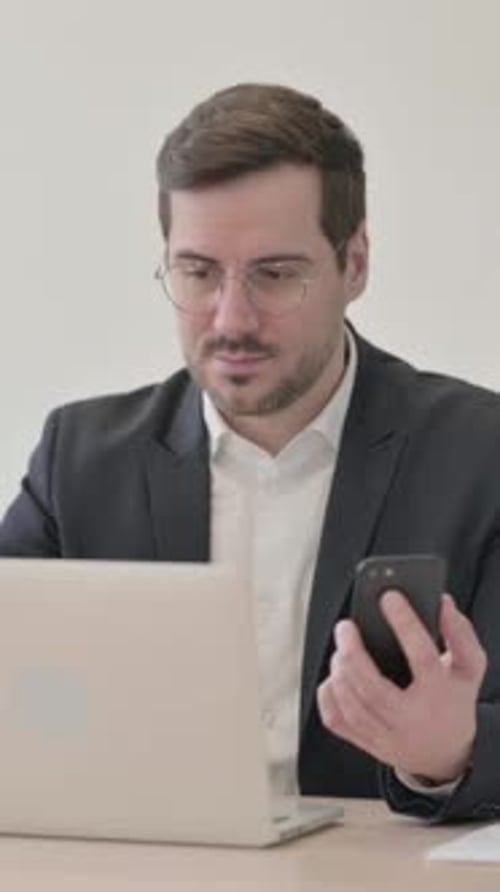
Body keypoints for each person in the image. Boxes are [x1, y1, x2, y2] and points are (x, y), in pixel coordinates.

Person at [1, 83, 500, 823]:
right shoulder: (80, 459)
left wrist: (452, 751)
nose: (232, 319)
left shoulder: (478, 453)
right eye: (198, 272)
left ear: (354, 264)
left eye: (275, 274)